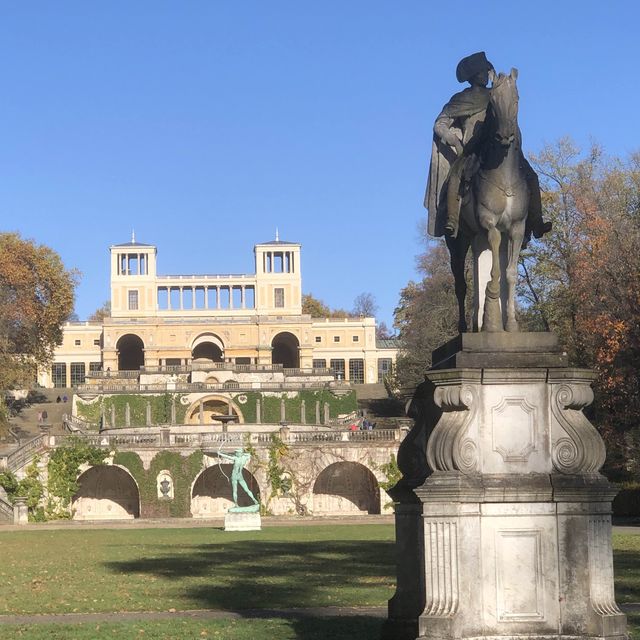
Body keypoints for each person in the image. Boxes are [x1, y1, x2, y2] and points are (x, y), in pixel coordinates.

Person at [425, 51, 551, 240]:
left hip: (503, 145)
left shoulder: (496, 94)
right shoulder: (461, 99)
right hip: (474, 148)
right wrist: (453, 139)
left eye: (487, 71)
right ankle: (452, 218)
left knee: (531, 176)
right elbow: (440, 124)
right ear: (473, 76)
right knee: (456, 175)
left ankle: (536, 222)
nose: (486, 74)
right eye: (482, 72)